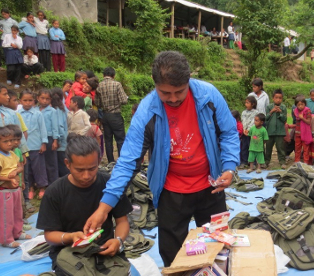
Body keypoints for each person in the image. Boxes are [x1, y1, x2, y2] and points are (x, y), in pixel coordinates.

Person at [83, 51, 239, 267]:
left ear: (188, 81)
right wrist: (104, 208)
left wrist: (229, 168)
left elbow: (229, 132)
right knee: (172, 251)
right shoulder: (147, 111)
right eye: (165, 93)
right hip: (171, 191)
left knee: (218, 246)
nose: (173, 99)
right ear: (154, 84)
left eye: (179, 92)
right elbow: (128, 160)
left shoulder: (208, 96)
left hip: (211, 186)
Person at [36, 135, 132, 275]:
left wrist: (118, 241)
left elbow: (122, 221)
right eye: (79, 170)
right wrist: (70, 237)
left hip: (104, 249)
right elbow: (50, 235)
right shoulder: (54, 192)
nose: (86, 176)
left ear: (99, 161)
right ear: (67, 164)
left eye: (92, 168)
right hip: (70, 253)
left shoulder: (111, 186)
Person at [0, 126, 31, 248]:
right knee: (6, 216)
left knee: (17, 213)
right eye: (5, 141)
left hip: (16, 189)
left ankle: (17, 233)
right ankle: (6, 239)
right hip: (5, 192)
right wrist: (10, 178)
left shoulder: (13, 154)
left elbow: (20, 166)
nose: (10, 144)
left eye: (11, 140)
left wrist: (16, 171)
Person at [18, 89, 48, 201]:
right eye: (25, 100)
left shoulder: (38, 114)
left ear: (34, 101)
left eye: (30, 100)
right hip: (23, 147)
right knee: (27, 168)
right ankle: (30, 188)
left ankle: (42, 187)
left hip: (36, 145)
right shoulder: (17, 114)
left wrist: (43, 143)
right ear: (20, 100)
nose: (27, 103)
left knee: (39, 168)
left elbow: (43, 129)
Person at [94, 67, 128, 163]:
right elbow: (124, 100)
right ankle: (122, 161)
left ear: (103, 75)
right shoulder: (117, 84)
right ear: (113, 75)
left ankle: (110, 161)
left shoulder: (99, 86)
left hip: (105, 115)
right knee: (120, 139)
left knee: (108, 140)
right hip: (116, 115)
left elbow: (97, 102)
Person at [38, 89, 59, 185]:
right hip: (38, 139)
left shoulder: (52, 111)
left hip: (50, 138)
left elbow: (55, 126)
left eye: (47, 99)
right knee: (41, 162)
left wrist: (55, 140)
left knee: (51, 162)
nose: (44, 101)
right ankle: (42, 182)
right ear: (38, 98)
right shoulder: (35, 110)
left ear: (50, 100)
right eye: (42, 98)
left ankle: (53, 183)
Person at [265, 89, 287, 169]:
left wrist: (280, 113)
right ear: (273, 98)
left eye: (280, 98)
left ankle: (282, 161)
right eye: (276, 98)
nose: (278, 100)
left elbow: (285, 120)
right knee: (268, 147)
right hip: (270, 131)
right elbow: (266, 118)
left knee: (280, 148)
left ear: (282, 98)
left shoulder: (283, 107)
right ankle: (266, 161)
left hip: (280, 132)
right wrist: (271, 112)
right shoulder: (269, 107)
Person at [50, 87, 70, 178]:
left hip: (60, 141)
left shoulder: (56, 110)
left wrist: (58, 140)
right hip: (65, 140)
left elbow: (60, 126)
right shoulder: (64, 109)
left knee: (61, 164)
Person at [291, 95, 313, 165]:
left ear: (305, 104)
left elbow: (309, 122)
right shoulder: (295, 111)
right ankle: (297, 161)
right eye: (298, 105)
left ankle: (305, 162)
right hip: (297, 133)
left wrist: (302, 117)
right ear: (296, 105)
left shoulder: (307, 111)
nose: (300, 106)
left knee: (306, 149)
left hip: (305, 133)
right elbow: (296, 122)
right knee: (297, 148)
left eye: (302, 104)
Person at [242, 96, 260, 169]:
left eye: (248, 103)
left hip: (252, 133)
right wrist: (244, 129)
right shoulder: (244, 112)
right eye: (245, 102)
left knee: (252, 147)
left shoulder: (256, 112)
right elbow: (243, 121)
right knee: (244, 147)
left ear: (253, 104)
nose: (246, 104)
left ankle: (253, 163)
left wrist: (249, 129)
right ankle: (244, 161)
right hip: (244, 133)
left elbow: (253, 122)